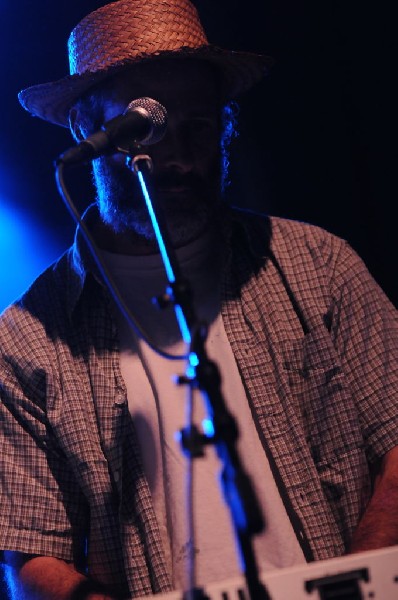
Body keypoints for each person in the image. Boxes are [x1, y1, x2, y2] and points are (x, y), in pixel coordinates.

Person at [1, 0, 397, 598]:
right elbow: (30, 554)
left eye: (200, 127)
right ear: (86, 124)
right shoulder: (28, 338)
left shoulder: (319, 265)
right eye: (150, 128)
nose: (181, 159)